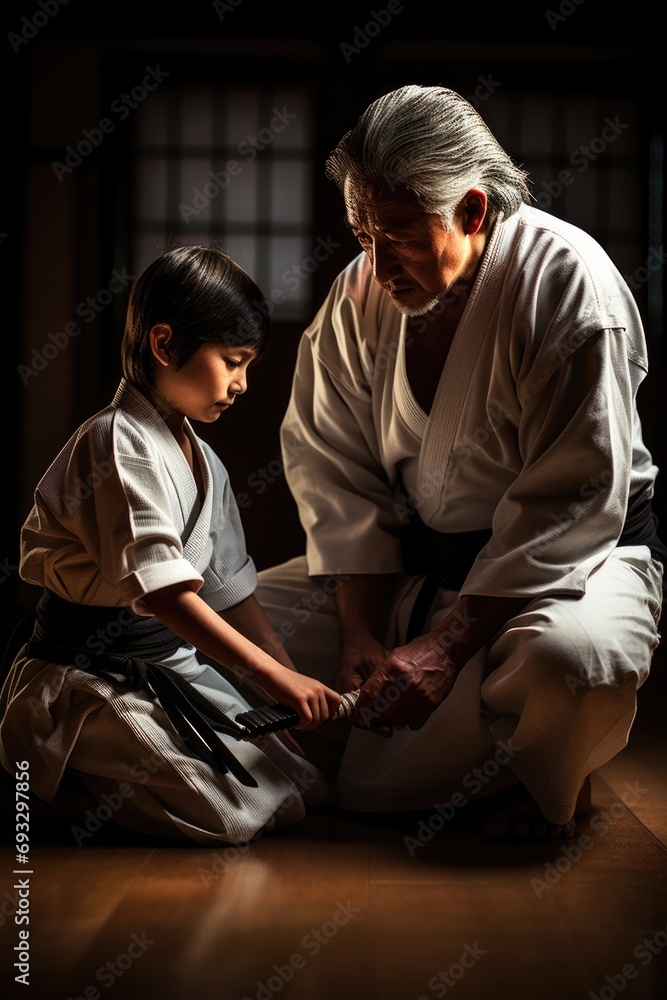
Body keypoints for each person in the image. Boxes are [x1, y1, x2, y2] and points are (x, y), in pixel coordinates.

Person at [255, 84, 666, 840]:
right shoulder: (359, 294)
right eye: (360, 235)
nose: (377, 266)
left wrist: (446, 648)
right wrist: (358, 634)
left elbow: (570, 501)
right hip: (412, 569)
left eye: (400, 235)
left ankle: (533, 771)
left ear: (472, 212)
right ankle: (386, 749)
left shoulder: (565, 285)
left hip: (563, 573)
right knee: (230, 628)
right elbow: (333, 467)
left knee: (571, 663)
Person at [0, 244, 342, 847]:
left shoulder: (202, 457)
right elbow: (165, 596)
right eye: (232, 360)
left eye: (247, 365)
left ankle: (102, 777)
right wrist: (271, 678)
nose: (240, 384)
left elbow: (231, 595)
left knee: (298, 786)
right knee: (235, 816)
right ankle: (46, 785)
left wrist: (284, 688)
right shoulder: (116, 443)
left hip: (167, 666)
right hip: (90, 677)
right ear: (164, 345)